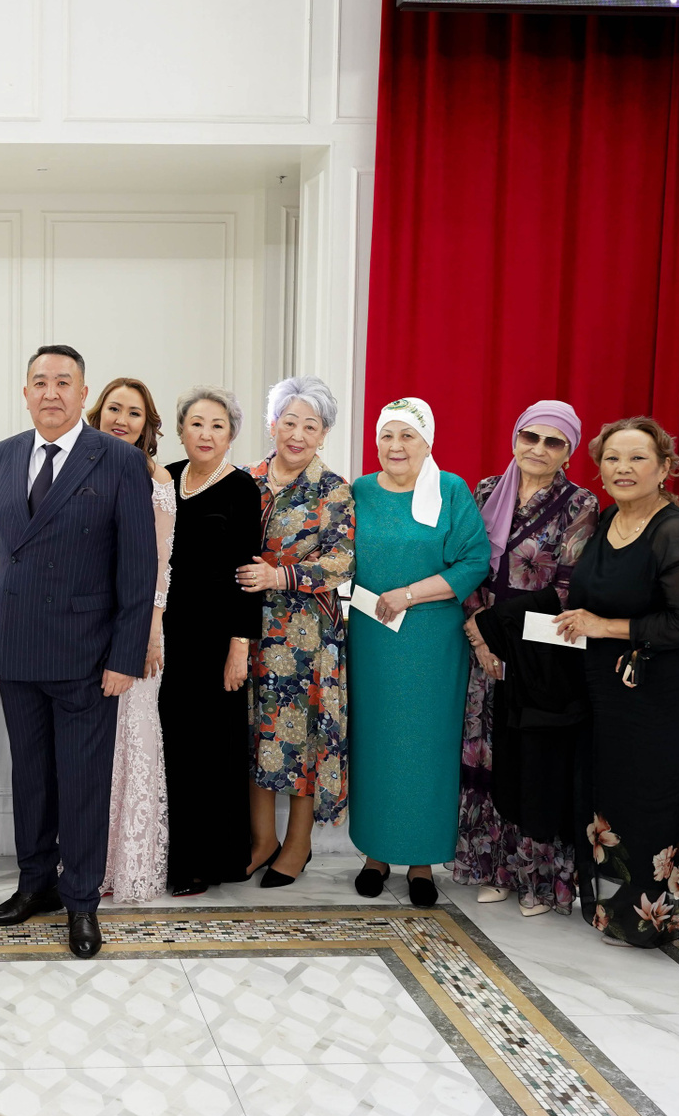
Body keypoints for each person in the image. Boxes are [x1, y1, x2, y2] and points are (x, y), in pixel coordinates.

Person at [0, 345, 155, 959]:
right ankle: (35, 884)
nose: (50, 392)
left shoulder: (117, 458)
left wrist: (124, 657)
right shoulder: (4, 454)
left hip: (87, 654)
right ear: (25, 392)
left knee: (81, 784)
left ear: (84, 395)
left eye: (63, 382)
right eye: (39, 382)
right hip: (15, 647)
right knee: (30, 780)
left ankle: (81, 901)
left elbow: (138, 566)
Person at [552, 417, 679, 951]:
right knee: (614, 794)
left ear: (665, 468)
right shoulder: (607, 520)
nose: (623, 468)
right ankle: (619, 911)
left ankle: (653, 920)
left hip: (663, 695)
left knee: (654, 797)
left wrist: (605, 627)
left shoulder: (675, 532)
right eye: (612, 458)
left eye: (638, 458)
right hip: (608, 690)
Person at [453, 402, 598, 916]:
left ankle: (535, 880)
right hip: (483, 648)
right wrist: (480, 636)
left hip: (538, 653)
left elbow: (567, 587)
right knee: (487, 757)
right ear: (515, 438)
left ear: (568, 452)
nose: (538, 449)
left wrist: (499, 633)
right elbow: (466, 563)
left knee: (533, 764)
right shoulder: (486, 491)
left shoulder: (580, 503)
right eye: (529, 437)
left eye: (552, 441)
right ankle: (491, 868)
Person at [347, 398, 491, 908]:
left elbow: (474, 561)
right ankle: (375, 854)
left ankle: (422, 861)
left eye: (407, 435)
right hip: (371, 641)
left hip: (431, 643)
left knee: (426, 745)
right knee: (376, 742)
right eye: (387, 435)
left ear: (427, 442)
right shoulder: (359, 491)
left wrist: (409, 594)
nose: (396, 446)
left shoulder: (450, 490)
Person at [236, 377, 355, 888]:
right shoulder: (244, 480)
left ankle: (298, 843)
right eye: (290, 422)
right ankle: (262, 839)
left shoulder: (333, 489)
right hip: (249, 629)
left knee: (304, 736)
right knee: (254, 731)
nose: (298, 434)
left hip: (309, 636)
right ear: (272, 425)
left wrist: (280, 576)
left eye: (311, 425)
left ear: (323, 434)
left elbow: (342, 561)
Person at [159, 386, 262, 896]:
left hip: (218, 639)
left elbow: (247, 572)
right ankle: (173, 856)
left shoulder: (242, 488)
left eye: (218, 425)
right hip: (167, 633)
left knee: (212, 750)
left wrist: (239, 647)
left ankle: (209, 860)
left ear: (231, 435)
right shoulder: (167, 477)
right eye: (196, 423)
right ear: (180, 430)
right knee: (172, 747)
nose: (206, 433)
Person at [87, 379, 174, 904]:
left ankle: (129, 861)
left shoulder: (155, 478)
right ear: (98, 413)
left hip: (136, 629)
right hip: (83, 630)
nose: (122, 419)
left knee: (132, 740)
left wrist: (150, 632)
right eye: (114, 409)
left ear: (147, 424)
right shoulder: (79, 465)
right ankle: (85, 859)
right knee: (89, 747)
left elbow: (160, 565)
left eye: (134, 412)